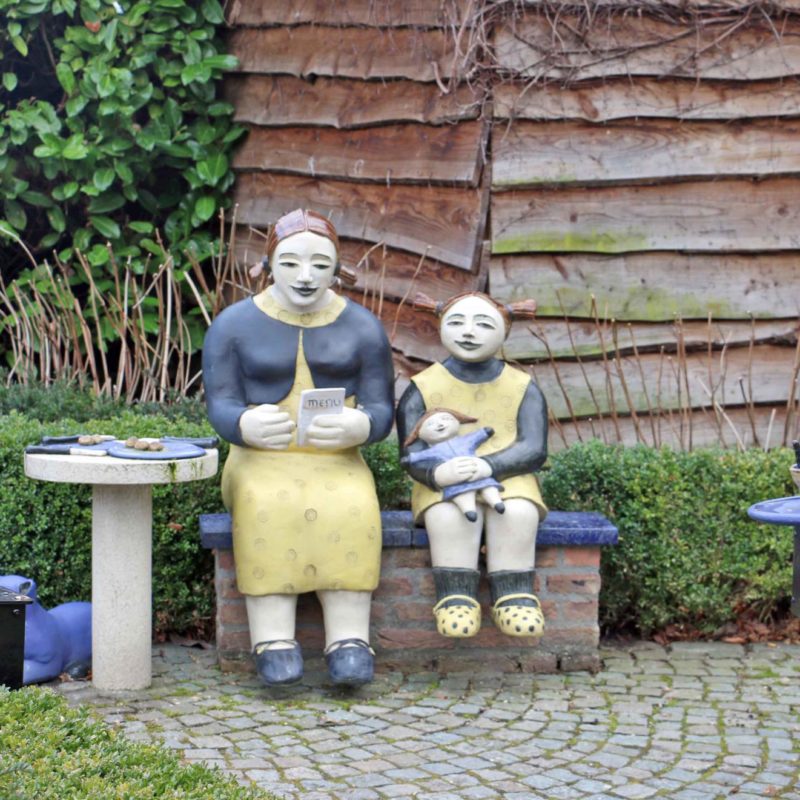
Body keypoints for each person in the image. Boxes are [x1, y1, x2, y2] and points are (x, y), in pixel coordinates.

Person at [203, 209, 394, 687]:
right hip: (259, 460)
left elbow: (381, 407)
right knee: (266, 502)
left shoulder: (363, 327)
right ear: (269, 264)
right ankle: (272, 637)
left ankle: (349, 637)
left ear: (337, 268)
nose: (305, 276)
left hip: (336, 460)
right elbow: (220, 402)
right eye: (290, 263)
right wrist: (243, 424)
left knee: (352, 503)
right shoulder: (232, 325)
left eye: (319, 264)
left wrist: (362, 424)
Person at [396, 292, 548, 640]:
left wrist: (490, 464)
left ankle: (514, 594)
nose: (468, 332)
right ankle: (455, 596)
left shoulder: (523, 387)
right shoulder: (423, 387)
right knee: (448, 516)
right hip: (444, 479)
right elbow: (410, 449)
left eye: (483, 324)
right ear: (440, 328)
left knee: (517, 512)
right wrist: (436, 474)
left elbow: (534, 447)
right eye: (456, 322)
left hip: (508, 476)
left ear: (504, 332)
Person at [401, 408, 506, 521]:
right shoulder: (434, 450)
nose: (440, 424)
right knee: (462, 493)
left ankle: (496, 503)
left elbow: (475, 437)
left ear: (457, 421)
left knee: (488, 486)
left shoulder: (465, 440)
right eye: (430, 424)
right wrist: (409, 459)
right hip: (455, 479)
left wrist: (484, 433)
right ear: (420, 434)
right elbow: (421, 455)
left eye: (446, 419)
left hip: (476, 470)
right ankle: (469, 511)